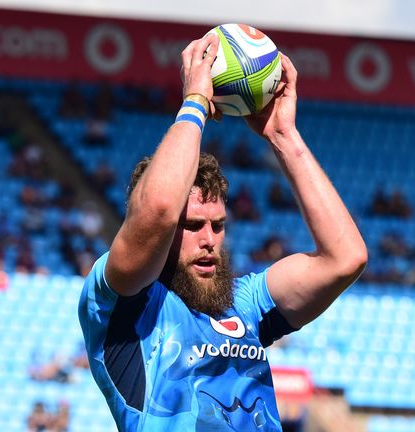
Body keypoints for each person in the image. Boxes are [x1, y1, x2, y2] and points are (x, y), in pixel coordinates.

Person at [78, 33, 367, 431]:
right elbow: (159, 209)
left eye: (218, 225)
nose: (209, 238)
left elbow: (345, 258)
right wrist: (195, 102)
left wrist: (283, 136)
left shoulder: (244, 304)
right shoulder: (122, 307)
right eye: (193, 225)